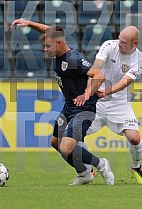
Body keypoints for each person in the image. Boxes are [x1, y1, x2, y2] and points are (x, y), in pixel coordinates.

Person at [11, 19, 115, 186]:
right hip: (69, 106)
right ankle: (84, 173)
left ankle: (101, 164)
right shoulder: (58, 44)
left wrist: (87, 93)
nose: (45, 50)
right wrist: (29, 23)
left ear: (59, 44)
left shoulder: (73, 59)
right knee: (55, 142)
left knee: (66, 148)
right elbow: (51, 30)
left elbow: (99, 76)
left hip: (83, 108)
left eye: (48, 47)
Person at [75, 26, 142, 185]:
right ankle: (88, 170)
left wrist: (106, 91)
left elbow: (123, 83)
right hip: (97, 101)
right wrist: (90, 90)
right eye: (119, 39)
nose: (119, 44)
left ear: (134, 44)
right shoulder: (109, 45)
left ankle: (136, 167)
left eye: (123, 42)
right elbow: (97, 66)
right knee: (74, 135)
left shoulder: (140, 60)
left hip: (119, 103)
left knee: (134, 138)